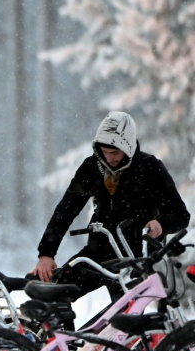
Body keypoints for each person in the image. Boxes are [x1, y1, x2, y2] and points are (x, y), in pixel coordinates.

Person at [30, 111, 189, 297]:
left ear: (128, 147)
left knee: (126, 319)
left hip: (138, 259)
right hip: (98, 253)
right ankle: (57, 327)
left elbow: (181, 215)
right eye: (104, 152)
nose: (109, 158)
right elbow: (65, 210)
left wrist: (161, 224)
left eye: (115, 152)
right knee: (56, 294)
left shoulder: (150, 168)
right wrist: (46, 254)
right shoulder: (91, 168)